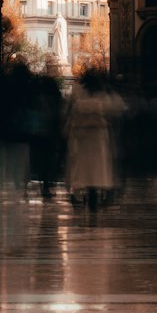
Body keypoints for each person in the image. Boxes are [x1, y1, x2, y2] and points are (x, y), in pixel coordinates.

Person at [64, 68, 124, 209]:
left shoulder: (78, 94)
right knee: (96, 170)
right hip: (97, 138)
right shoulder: (103, 97)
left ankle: (80, 194)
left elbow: (71, 115)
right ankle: (95, 195)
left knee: (83, 170)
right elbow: (117, 108)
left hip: (83, 138)